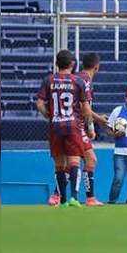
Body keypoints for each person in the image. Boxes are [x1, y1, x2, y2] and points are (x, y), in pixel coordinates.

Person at [36, 50, 93, 208]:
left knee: (59, 165)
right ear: (72, 64)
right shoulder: (78, 81)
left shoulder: (48, 80)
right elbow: (86, 108)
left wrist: (49, 115)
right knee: (74, 161)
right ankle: (74, 198)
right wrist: (89, 127)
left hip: (55, 126)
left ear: (57, 63)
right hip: (73, 126)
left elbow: (40, 104)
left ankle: (61, 200)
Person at [74, 52, 107, 206]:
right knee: (90, 160)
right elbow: (84, 107)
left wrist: (91, 126)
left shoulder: (76, 77)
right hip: (76, 125)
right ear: (97, 67)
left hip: (70, 124)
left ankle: (57, 196)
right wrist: (97, 120)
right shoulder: (86, 80)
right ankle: (90, 198)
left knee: (69, 163)